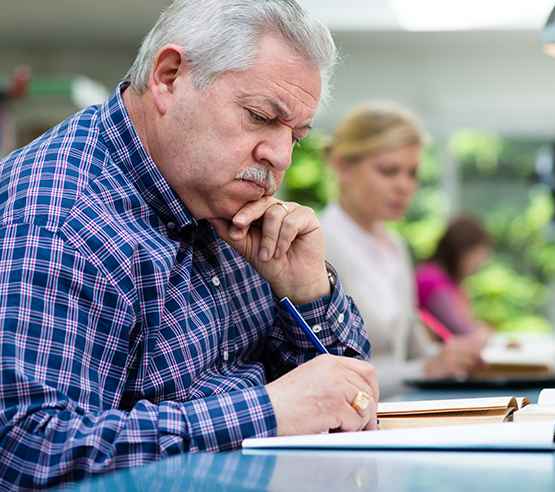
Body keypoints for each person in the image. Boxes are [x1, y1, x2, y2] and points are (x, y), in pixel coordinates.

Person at [0, 1, 378, 488]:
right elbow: (24, 448)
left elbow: (349, 399)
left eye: (297, 136)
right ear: (169, 76)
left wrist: (308, 292)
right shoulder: (61, 218)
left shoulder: (222, 200)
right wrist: (266, 412)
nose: (279, 156)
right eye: (261, 117)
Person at [321, 103, 483, 398]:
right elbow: (324, 372)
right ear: (343, 166)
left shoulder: (395, 247)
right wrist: (425, 369)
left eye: (412, 174)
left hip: (398, 414)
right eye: (389, 171)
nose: (404, 186)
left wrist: (456, 355)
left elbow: (413, 350)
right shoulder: (318, 245)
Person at [416, 215, 494, 337]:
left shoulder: (448, 280)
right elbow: (461, 329)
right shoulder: (431, 279)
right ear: (462, 251)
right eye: (476, 256)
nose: (479, 264)